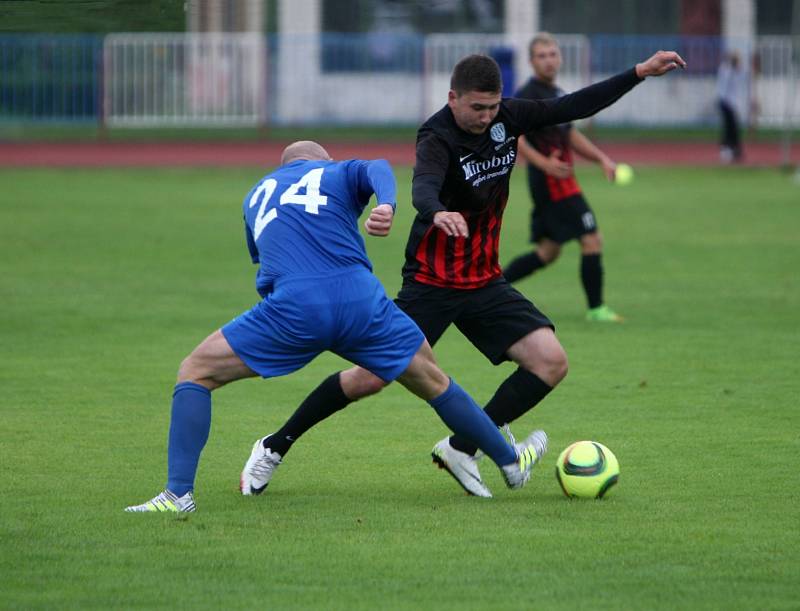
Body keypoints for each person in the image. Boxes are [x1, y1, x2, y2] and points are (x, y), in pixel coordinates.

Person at [242, 49, 686, 500]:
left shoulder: (506, 118)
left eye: (492, 107)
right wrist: (436, 213)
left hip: (483, 281)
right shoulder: (436, 136)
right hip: (431, 283)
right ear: (453, 98)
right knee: (368, 378)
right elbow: (424, 186)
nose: (486, 116)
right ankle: (274, 446)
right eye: (477, 108)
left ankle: (462, 447)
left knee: (551, 362)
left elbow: (573, 106)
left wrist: (639, 73)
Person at [125, 141, 546, 513]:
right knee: (433, 380)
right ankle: (509, 462)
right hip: (361, 300)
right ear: (323, 159)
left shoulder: (256, 194)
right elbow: (377, 166)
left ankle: (178, 494)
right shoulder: (333, 170)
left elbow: (265, 258)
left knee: (195, 372)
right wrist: (386, 205)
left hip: (294, 307)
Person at [503, 32, 623, 323]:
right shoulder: (527, 94)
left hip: (559, 182)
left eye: (552, 54)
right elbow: (512, 135)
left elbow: (569, 134)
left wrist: (601, 159)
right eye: (542, 56)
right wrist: (544, 163)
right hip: (551, 184)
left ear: (560, 57)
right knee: (591, 239)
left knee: (547, 252)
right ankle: (596, 309)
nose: (548, 61)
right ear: (532, 61)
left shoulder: (555, 93)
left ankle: (487, 288)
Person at [717, 51, 745, 163]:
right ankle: (728, 149)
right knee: (730, 127)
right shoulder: (726, 70)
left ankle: (734, 149)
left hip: (730, 103)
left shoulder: (734, 72)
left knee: (732, 127)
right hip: (725, 102)